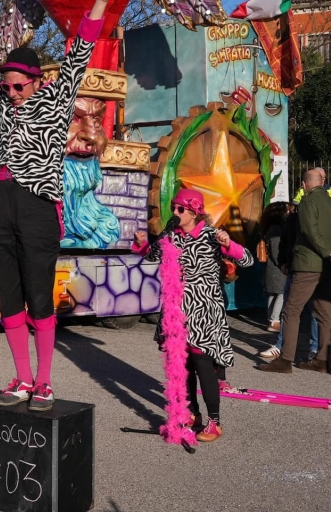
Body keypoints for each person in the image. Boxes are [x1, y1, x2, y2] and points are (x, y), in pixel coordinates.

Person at [0, 0, 126, 411]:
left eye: (20, 85)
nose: (13, 92)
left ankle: (43, 381)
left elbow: (81, 50)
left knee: (40, 294)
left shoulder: (56, 98)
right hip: (1, 201)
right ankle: (21, 378)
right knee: (8, 294)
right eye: (7, 86)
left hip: (38, 204)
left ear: (38, 80)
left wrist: (99, 1)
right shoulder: (3, 98)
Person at [136, 189, 253, 442]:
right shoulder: (171, 236)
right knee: (184, 364)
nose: (175, 213)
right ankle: (193, 414)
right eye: (174, 208)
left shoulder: (212, 236)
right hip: (177, 309)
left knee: (202, 364)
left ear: (194, 211)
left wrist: (229, 245)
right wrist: (142, 243)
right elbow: (151, 255)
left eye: (180, 209)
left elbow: (248, 260)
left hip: (204, 308)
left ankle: (215, 422)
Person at [258, 169, 331, 373]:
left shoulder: (308, 202)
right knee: (323, 313)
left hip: (307, 264)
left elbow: (310, 231)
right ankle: (322, 359)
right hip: (327, 266)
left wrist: (328, 253)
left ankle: (285, 360)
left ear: (304, 184)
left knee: (292, 310)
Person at [257, 196, 319, 362]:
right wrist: (283, 262)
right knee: (287, 304)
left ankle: (310, 348)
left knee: (301, 308)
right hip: (290, 267)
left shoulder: (290, 223)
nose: (290, 211)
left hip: (303, 268)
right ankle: (282, 343)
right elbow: (282, 245)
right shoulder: (285, 224)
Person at [260, 202, 291, 332]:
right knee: (281, 294)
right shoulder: (277, 228)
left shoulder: (271, 227)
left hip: (272, 267)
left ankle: (271, 319)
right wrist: (282, 264)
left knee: (274, 294)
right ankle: (274, 320)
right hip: (277, 267)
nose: (288, 213)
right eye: (287, 211)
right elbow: (276, 249)